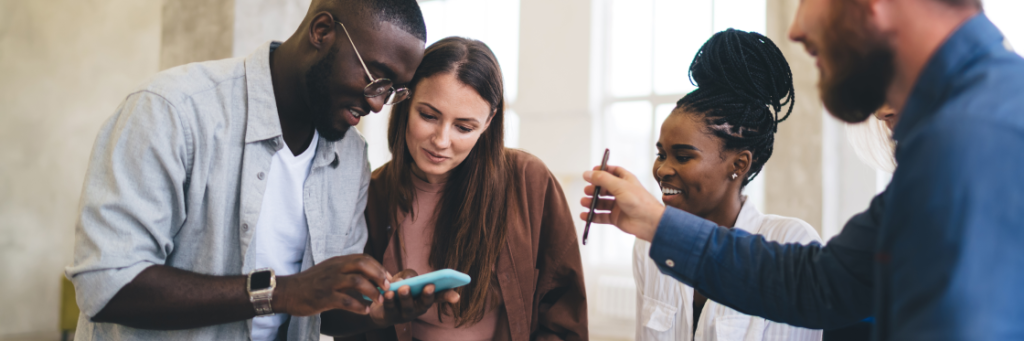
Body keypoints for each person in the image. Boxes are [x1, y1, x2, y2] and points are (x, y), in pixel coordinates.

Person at [580, 0, 1024, 339]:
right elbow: (822, 284)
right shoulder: (946, 136)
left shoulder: (978, 133)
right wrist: (660, 226)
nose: (794, 28)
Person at [64, 0, 458, 340]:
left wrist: (375, 309)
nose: (376, 104)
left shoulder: (350, 156)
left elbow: (320, 305)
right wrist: (280, 292)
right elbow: (106, 283)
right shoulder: (172, 111)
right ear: (322, 31)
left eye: (392, 92)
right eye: (376, 78)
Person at [343, 37, 588, 341]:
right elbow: (351, 323)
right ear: (405, 102)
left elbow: (563, 315)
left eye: (464, 127)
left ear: (489, 122)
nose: (441, 141)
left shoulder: (529, 181)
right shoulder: (372, 194)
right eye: (429, 116)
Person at [634, 29, 822, 341]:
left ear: (739, 165)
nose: (663, 169)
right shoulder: (649, 246)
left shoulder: (791, 244)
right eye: (661, 154)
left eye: (682, 156)